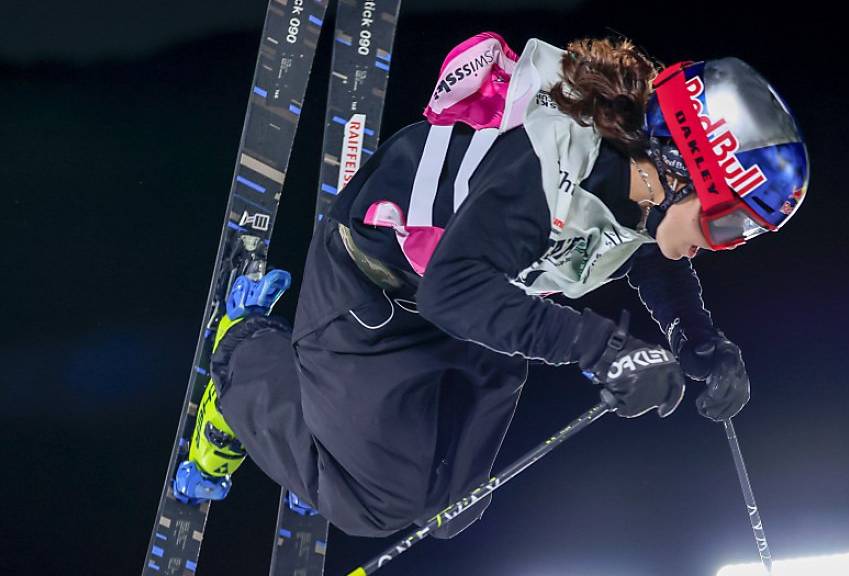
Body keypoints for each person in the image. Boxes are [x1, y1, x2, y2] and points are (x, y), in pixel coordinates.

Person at [184, 32, 809, 540]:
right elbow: (450, 290)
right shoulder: (545, 168)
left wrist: (700, 343)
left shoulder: (638, 185)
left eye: (745, 233)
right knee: (376, 505)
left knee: (455, 505)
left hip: (478, 304)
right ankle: (244, 353)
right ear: (679, 164)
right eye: (726, 220)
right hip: (377, 293)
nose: (724, 242)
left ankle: (344, 431)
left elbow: (650, 258)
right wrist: (604, 349)